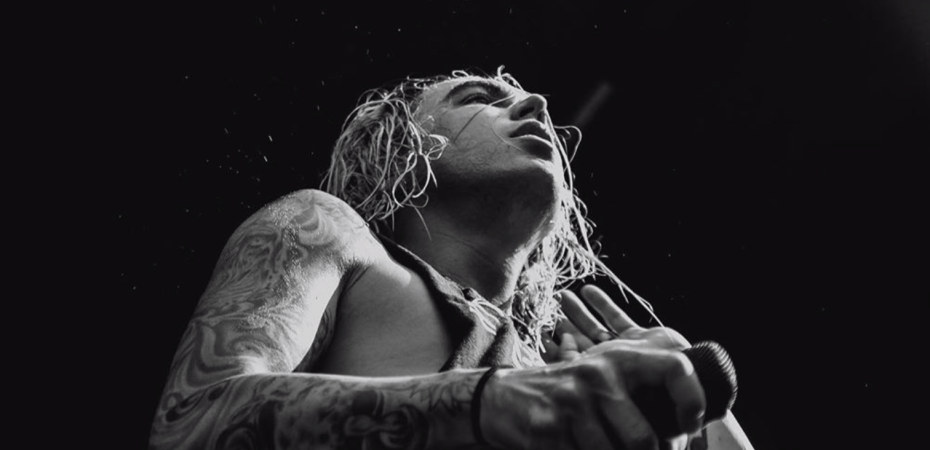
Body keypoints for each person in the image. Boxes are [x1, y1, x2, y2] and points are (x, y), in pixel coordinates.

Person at [149, 67, 753, 450]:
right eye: (479, 99)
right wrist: (506, 405)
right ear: (404, 145)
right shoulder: (327, 230)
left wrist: (703, 415)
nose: (537, 103)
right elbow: (190, 423)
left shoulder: (570, 368)